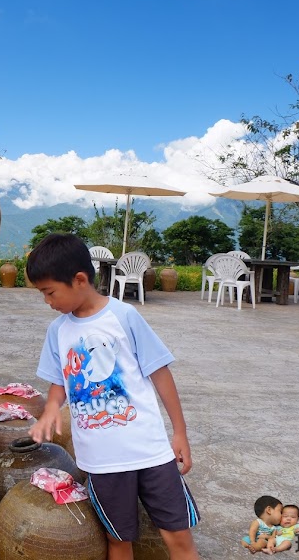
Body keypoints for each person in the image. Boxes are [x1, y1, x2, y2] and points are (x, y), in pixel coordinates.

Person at [26, 233, 200, 560]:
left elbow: (160, 372)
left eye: (49, 292)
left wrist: (179, 432)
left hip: (151, 453)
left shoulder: (124, 317)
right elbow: (59, 382)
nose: (47, 301)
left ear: (79, 280)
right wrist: (51, 408)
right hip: (102, 461)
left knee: (179, 539)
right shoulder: (58, 332)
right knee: (118, 542)